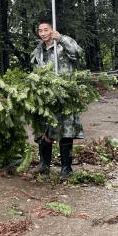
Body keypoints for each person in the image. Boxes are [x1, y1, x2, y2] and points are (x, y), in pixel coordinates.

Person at [29, 19, 84, 179]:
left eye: (46, 30)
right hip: (45, 97)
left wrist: (61, 38)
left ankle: (66, 169)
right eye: (40, 31)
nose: (43, 33)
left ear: (52, 30)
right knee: (43, 131)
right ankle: (44, 166)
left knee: (65, 131)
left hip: (64, 95)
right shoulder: (38, 51)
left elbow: (78, 53)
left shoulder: (62, 44)